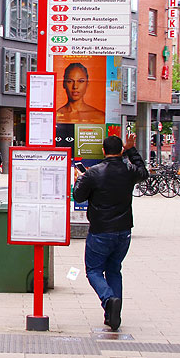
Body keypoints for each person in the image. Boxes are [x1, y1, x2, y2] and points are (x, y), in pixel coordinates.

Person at [72, 133, 148, 332]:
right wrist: (132, 149)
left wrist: (80, 179)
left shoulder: (94, 173)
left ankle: (109, 299)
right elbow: (143, 172)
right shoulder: (129, 170)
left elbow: (78, 197)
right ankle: (113, 315)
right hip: (124, 230)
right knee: (114, 269)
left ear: (104, 151)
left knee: (94, 271)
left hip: (101, 230)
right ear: (121, 150)